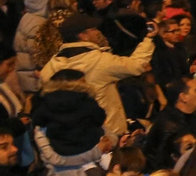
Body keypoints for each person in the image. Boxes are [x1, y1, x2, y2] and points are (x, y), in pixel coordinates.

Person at [38, 13, 154, 144]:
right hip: (107, 136)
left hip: (70, 136)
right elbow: (136, 66)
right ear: (83, 36)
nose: (98, 32)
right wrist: (148, 39)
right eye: (93, 29)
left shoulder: (48, 68)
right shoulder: (100, 61)